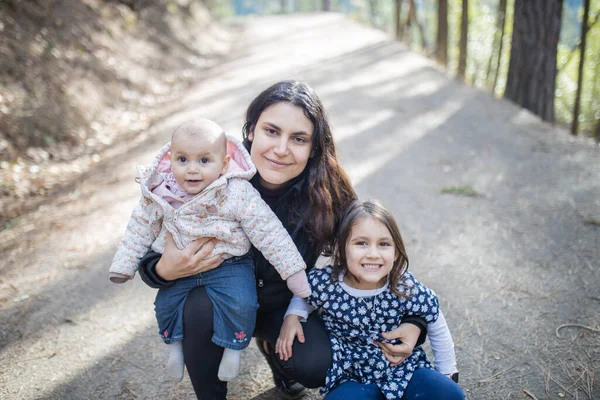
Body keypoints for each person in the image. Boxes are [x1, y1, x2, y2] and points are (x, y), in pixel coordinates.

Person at [137, 80, 428, 399]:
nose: (281, 149)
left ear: (314, 147)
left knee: (317, 362)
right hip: (215, 303)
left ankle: (278, 358)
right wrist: (165, 270)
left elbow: (373, 255)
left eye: (298, 138)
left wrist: (414, 321)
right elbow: (144, 244)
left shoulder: (328, 195)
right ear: (250, 131)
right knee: (199, 307)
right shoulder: (206, 175)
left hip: (281, 308)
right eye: (271, 131)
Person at [108, 118, 311, 382]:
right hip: (178, 264)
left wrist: (293, 273)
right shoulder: (161, 191)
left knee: (242, 302)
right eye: (182, 160)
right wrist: (124, 265)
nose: (192, 170)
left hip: (227, 263)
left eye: (204, 161)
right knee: (166, 306)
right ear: (170, 159)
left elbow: (268, 232)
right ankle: (175, 347)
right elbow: (139, 228)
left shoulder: (235, 191)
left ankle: (233, 349)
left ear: (224, 164)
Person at [276, 199, 464, 399]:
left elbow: (433, 314)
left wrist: (447, 371)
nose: (373, 254)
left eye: (383, 244)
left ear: (396, 252)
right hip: (352, 376)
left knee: (449, 394)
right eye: (361, 243)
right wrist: (293, 316)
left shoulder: (402, 286)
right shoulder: (327, 284)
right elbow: (304, 294)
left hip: (404, 370)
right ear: (341, 248)